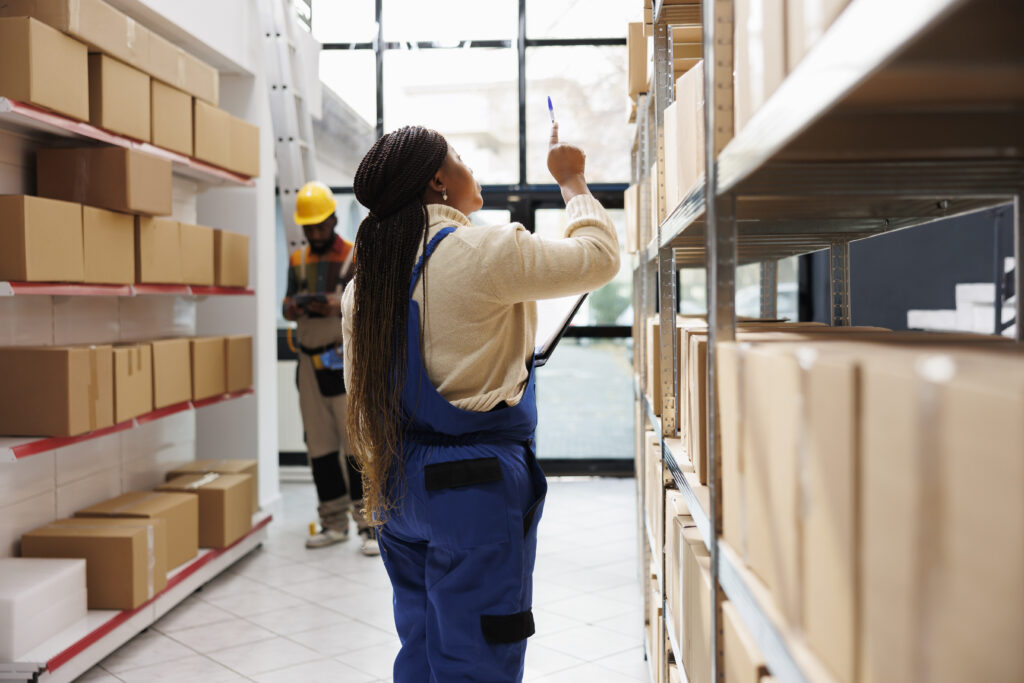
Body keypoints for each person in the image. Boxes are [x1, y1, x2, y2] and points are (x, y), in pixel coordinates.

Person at [341, 124, 619, 681]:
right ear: (439, 180)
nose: (472, 168)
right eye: (461, 158)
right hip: (474, 491)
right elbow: (599, 258)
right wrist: (572, 181)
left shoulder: (366, 281)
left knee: (419, 645)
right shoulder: (485, 251)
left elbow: (361, 396)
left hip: (397, 487)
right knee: (478, 657)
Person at [282, 181, 378, 556]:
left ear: (334, 220)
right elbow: (286, 306)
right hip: (307, 359)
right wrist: (295, 306)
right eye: (309, 228)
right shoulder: (298, 260)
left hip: (342, 358)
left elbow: (367, 306)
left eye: (320, 226)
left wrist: (333, 304)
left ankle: (369, 525)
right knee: (319, 446)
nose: (315, 233)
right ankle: (333, 521)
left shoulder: (354, 257)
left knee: (355, 444)